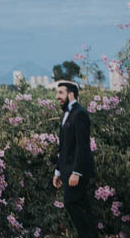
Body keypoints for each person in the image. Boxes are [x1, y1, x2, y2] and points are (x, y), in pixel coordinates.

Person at [53, 81, 97, 238]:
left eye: (60, 93)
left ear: (71, 94)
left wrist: (76, 172)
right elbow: (64, 146)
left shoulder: (80, 114)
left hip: (77, 170)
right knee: (82, 205)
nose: (57, 96)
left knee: (71, 203)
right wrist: (58, 171)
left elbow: (82, 146)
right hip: (66, 169)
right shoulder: (66, 114)